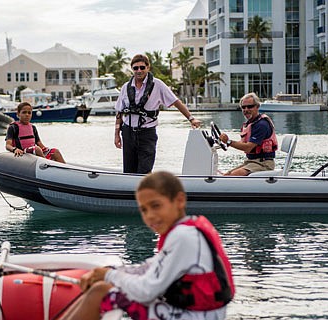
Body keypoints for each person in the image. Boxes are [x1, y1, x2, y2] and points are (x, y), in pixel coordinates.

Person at [62, 171, 234, 320]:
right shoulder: (186, 230)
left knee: (99, 293)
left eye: (156, 206)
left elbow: (147, 291)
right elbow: (150, 267)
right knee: (102, 285)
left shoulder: (184, 237)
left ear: (180, 200)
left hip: (194, 316)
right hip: (197, 313)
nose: (150, 216)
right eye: (144, 210)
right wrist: (107, 272)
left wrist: (108, 276)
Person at [114, 54, 202, 174]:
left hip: (147, 133)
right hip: (128, 133)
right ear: (132, 69)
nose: (139, 71)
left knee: (144, 170)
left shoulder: (158, 85)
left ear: (148, 67)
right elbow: (119, 112)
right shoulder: (126, 87)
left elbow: (175, 101)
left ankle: (146, 190)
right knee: (129, 171)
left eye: (142, 67)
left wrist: (191, 119)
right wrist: (117, 135)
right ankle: (131, 191)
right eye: (135, 68)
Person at [219, 92, 278, 176]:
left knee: (232, 176)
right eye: (243, 107)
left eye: (250, 106)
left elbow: (248, 147)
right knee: (226, 175)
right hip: (251, 162)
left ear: (257, 107)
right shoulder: (250, 124)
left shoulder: (261, 125)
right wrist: (225, 142)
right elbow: (242, 144)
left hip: (263, 163)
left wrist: (229, 142)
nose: (246, 109)